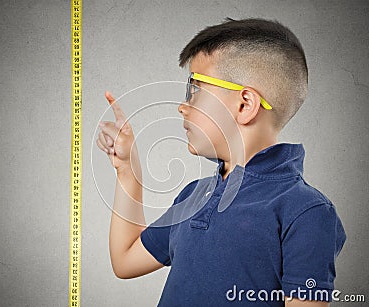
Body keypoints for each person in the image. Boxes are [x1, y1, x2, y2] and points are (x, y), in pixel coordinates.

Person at [96, 17, 346, 306]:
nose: (182, 106)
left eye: (195, 90)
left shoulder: (306, 212)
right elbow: (125, 260)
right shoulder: (193, 195)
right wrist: (128, 169)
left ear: (245, 105)